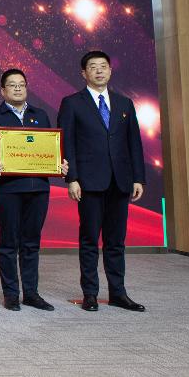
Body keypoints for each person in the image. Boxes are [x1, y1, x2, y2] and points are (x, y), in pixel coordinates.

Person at [58, 50, 147, 312]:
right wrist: (72, 178)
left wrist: (138, 178)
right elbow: (66, 143)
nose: (99, 71)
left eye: (103, 66)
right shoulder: (72, 103)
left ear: (110, 70)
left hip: (120, 181)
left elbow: (134, 143)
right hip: (88, 182)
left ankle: (118, 293)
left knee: (116, 241)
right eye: (93, 67)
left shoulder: (124, 103)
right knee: (89, 240)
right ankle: (90, 294)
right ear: (83, 73)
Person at [0, 68, 67, 311]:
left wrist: (60, 163)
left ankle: (31, 293)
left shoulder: (40, 115)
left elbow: (51, 148)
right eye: (12, 84)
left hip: (39, 188)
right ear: (2, 90)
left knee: (31, 242)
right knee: (9, 241)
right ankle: (11, 293)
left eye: (22, 84)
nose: (18, 88)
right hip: (9, 188)